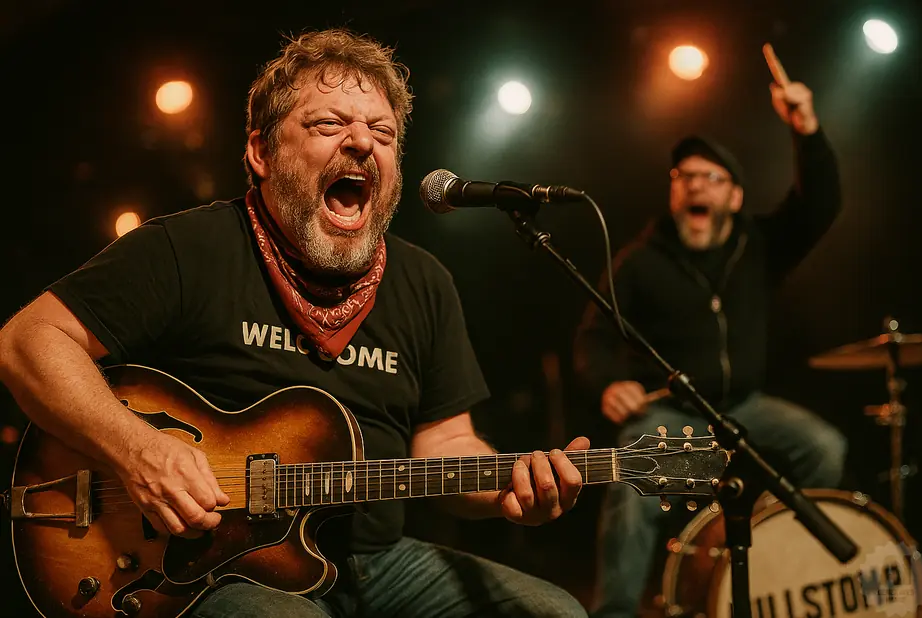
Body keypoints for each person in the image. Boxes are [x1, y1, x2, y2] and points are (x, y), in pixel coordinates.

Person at [0, 28, 591, 618]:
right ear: (261, 152)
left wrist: (510, 488)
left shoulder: (425, 281)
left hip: (377, 562)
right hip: (205, 568)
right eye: (329, 125)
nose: (363, 142)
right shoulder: (189, 248)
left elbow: (445, 443)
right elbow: (26, 341)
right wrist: (137, 450)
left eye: (383, 132)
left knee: (555, 612)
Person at [573, 76, 849, 617]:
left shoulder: (759, 245)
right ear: (674, 191)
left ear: (735, 194)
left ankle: (782, 568)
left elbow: (821, 203)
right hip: (675, 415)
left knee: (825, 448)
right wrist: (609, 383)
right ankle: (615, 613)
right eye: (684, 176)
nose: (696, 186)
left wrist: (807, 131)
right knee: (630, 475)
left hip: (746, 407)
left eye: (710, 177)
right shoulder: (640, 260)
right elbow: (593, 337)